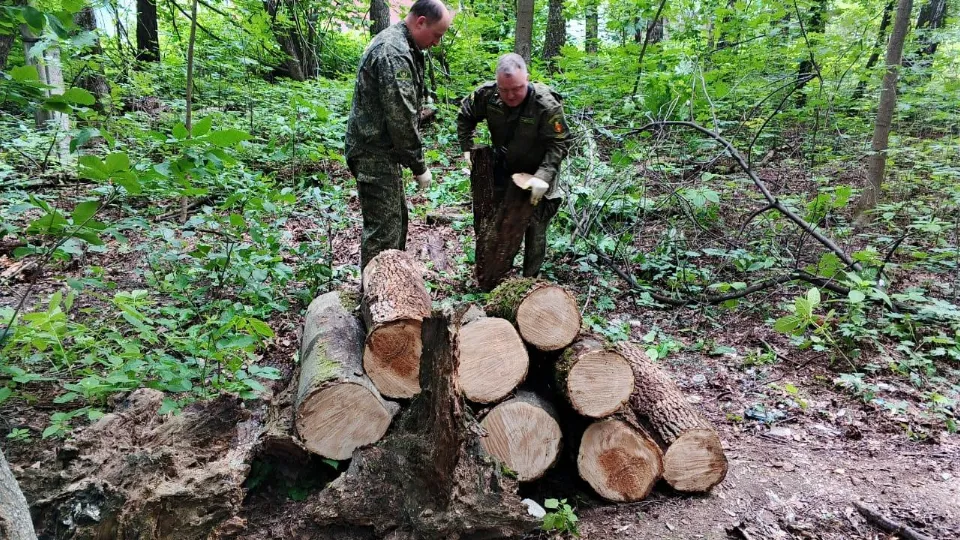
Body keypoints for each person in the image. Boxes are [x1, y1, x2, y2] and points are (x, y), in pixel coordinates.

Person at [344, 0, 453, 271]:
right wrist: (419, 165)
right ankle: (376, 300)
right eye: (437, 35)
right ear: (420, 22)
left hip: (383, 152)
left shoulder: (406, 46)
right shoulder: (393, 52)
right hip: (373, 153)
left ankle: (393, 292)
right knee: (384, 233)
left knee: (396, 223)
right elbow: (401, 119)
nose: (437, 43)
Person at [457, 53, 571, 277]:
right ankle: (491, 272)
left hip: (538, 168)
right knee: (492, 218)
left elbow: (560, 142)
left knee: (535, 224)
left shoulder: (545, 105)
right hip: (504, 165)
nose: (510, 95)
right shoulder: (488, 95)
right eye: (504, 89)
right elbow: (465, 115)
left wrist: (544, 176)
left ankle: (530, 278)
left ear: (527, 79)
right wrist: (466, 147)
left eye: (517, 88)